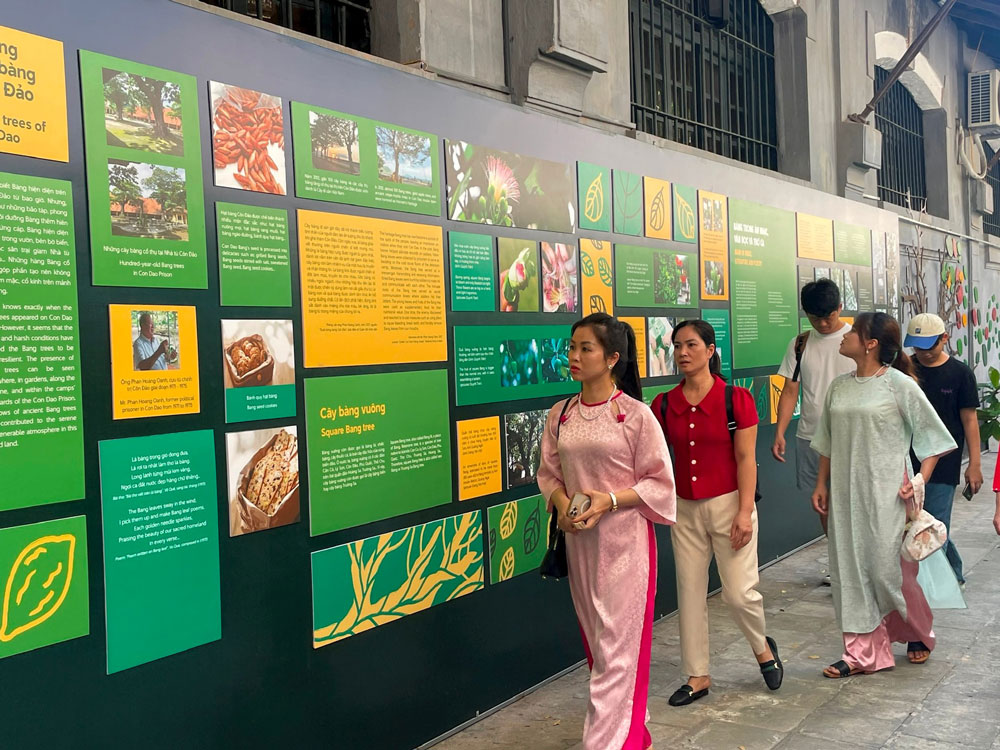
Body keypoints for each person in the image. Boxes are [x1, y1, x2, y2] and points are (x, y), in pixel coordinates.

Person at [537, 313, 676, 750]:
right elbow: (550, 474)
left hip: (627, 544)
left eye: (586, 349)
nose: (574, 356)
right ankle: (634, 730)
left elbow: (659, 482)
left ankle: (606, 743)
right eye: (572, 347)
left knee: (617, 650)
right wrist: (563, 508)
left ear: (613, 358)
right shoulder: (560, 414)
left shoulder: (634, 416)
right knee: (602, 648)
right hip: (581, 545)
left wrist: (609, 500)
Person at [811, 312, 956, 678]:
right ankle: (861, 652)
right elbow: (827, 441)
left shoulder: (898, 385)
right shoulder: (839, 386)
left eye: (853, 332)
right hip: (845, 495)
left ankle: (918, 631)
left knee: (887, 573)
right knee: (849, 570)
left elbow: (933, 440)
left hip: (887, 494)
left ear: (871, 343)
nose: (844, 337)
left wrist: (919, 480)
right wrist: (821, 484)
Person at [650, 320, 782, 707]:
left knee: (739, 593)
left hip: (730, 505)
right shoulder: (664, 404)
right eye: (676, 346)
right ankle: (697, 675)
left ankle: (763, 649)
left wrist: (744, 512)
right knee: (689, 593)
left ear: (710, 350)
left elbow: (746, 459)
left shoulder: (735, 399)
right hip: (685, 509)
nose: (682, 353)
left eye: (691, 345)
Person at [772, 279, 855, 545]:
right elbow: (789, 391)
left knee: (853, 502)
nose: (822, 324)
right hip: (811, 436)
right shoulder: (799, 344)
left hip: (851, 436)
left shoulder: (856, 340)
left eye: (828, 317)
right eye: (814, 318)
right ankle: (838, 560)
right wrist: (780, 432)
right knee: (823, 503)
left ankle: (857, 562)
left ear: (840, 307)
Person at [904, 313, 982, 586]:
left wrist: (974, 464)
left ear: (944, 339)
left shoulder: (960, 373)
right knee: (922, 525)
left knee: (935, 522)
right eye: (917, 346)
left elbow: (969, 419)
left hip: (945, 464)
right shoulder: (905, 369)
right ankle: (953, 574)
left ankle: (939, 584)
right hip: (907, 459)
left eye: (930, 346)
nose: (923, 353)